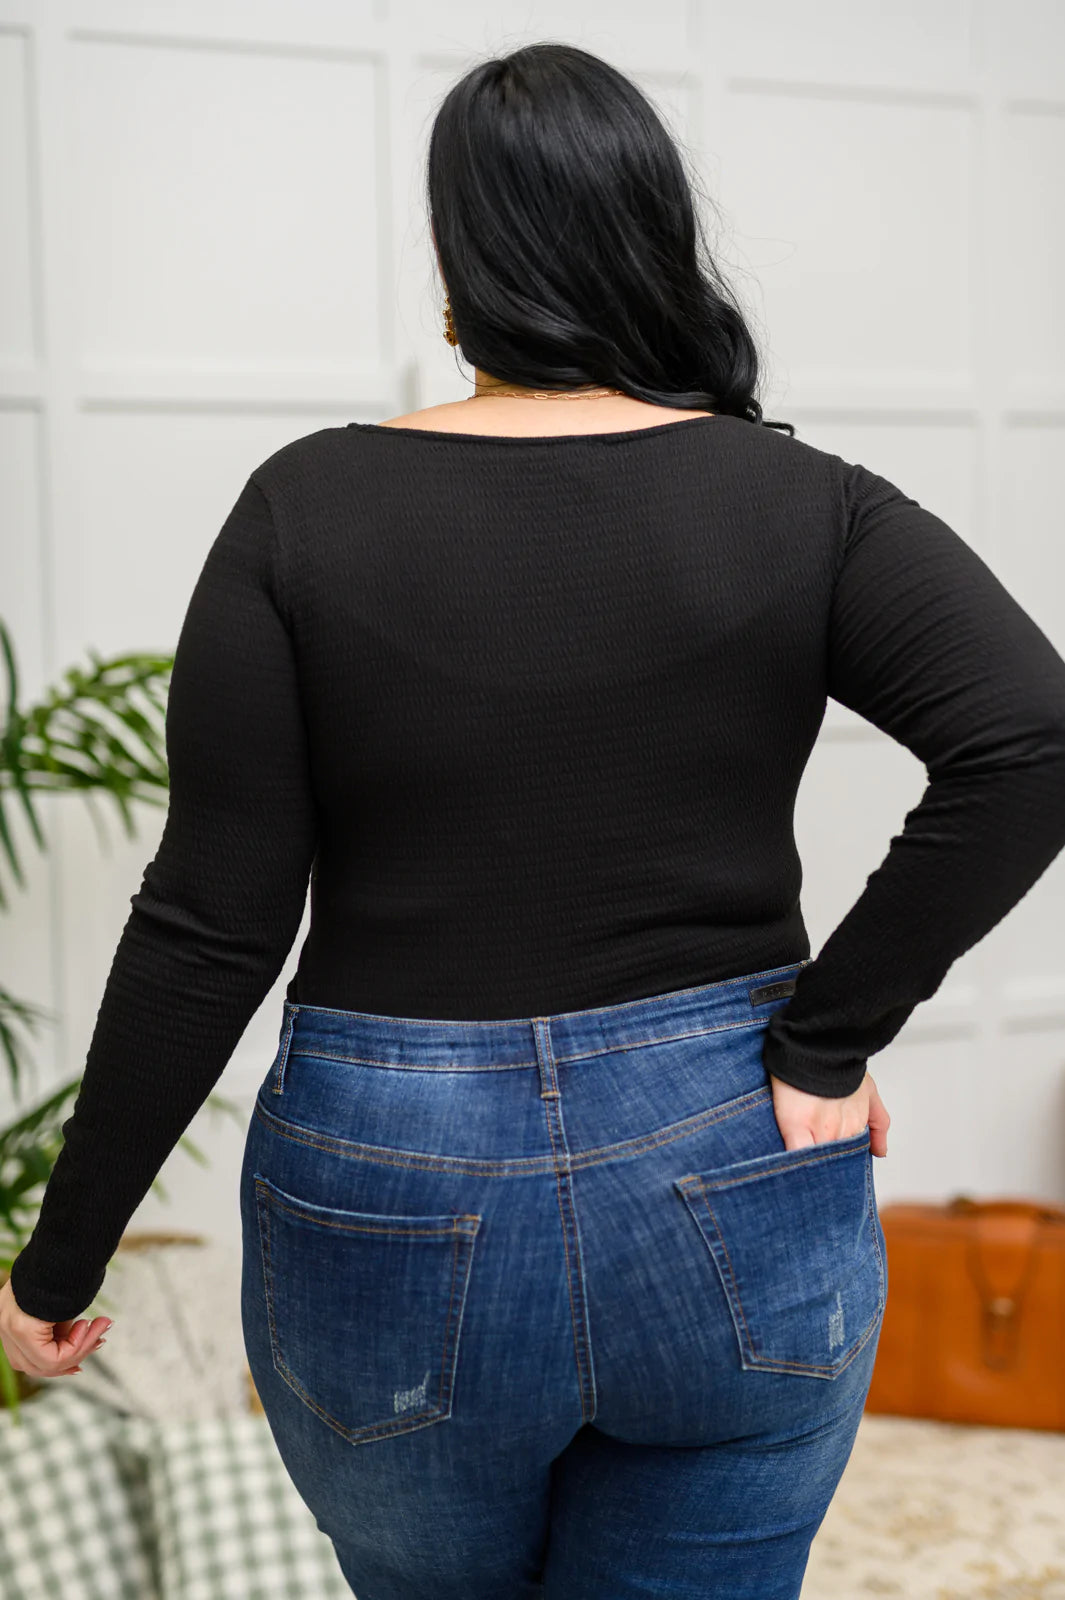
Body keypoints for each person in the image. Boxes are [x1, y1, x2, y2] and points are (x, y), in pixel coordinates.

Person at [4, 37, 1065, 1600]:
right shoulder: (803, 501)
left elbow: (211, 924)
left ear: (458, 267)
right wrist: (821, 1044)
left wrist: (63, 1254)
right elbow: (1029, 738)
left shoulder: (302, 507)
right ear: (653, 240)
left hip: (389, 1174)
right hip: (731, 1150)